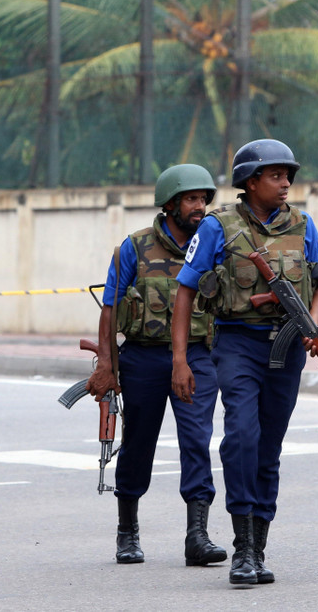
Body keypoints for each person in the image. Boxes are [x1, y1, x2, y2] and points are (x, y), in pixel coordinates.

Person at [171, 139, 318, 586]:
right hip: (238, 342)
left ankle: (259, 547)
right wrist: (180, 359)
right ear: (251, 181)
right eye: (276, 176)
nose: (285, 184)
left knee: (269, 445)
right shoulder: (219, 227)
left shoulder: (303, 225)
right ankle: (241, 547)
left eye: (288, 176)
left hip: (289, 345)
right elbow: (185, 290)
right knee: (242, 434)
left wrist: (312, 327)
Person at [86, 164, 226, 567]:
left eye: (203, 199)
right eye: (191, 199)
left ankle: (197, 535)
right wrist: (106, 364)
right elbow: (110, 309)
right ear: (170, 205)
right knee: (139, 444)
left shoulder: (214, 242)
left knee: (198, 440)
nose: (200, 207)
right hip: (144, 356)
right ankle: (127, 531)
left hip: (197, 354)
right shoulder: (136, 247)